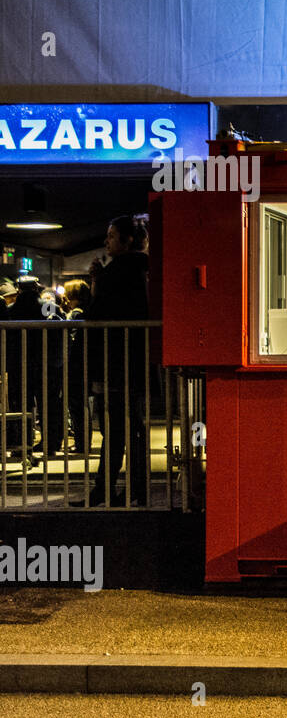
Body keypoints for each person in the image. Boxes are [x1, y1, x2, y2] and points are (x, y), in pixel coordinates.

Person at [84, 216, 150, 507]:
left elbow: (96, 313)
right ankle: (135, 487)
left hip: (114, 362)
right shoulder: (143, 269)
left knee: (112, 429)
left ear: (127, 240)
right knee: (131, 427)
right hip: (133, 362)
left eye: (111, 236)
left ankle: (106, 488)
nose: (106, 241)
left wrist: (97, 283)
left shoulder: (118, 272)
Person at [5, 276, 64, 454]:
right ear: (37, 289)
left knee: (21, 405)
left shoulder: (11, 310)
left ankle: (22, 444)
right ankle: (51, 444)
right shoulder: (49, 308)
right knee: (49, 405)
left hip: (18, 364)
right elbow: (60, 334)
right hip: (47, 364)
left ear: (19, 289)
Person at [62, 279, 93, 455]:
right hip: (84, 363)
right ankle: (84, 442)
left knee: (76, 404)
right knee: (83, 405)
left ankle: (81, 443)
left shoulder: (75, 314)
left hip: (75, 364)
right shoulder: (86, 311)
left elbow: (71, 340)